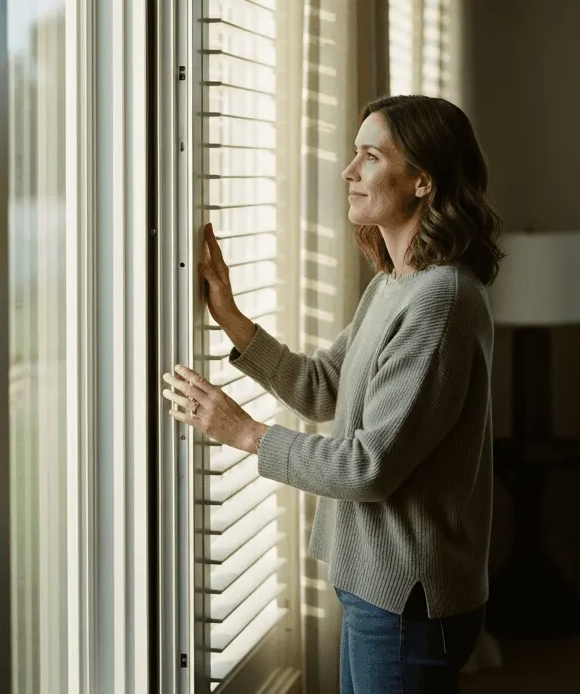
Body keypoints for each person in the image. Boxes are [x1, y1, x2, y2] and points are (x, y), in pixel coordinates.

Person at [162, 94, 503, 693]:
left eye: (370, 156)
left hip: (407, 601)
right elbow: (323, 388)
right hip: (379, 588)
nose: (348, 172)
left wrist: (243, 432)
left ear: (422, 181)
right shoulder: (396, 286)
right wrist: (231, 318)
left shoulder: (440, 302)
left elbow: (369, 467)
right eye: (354, 154)